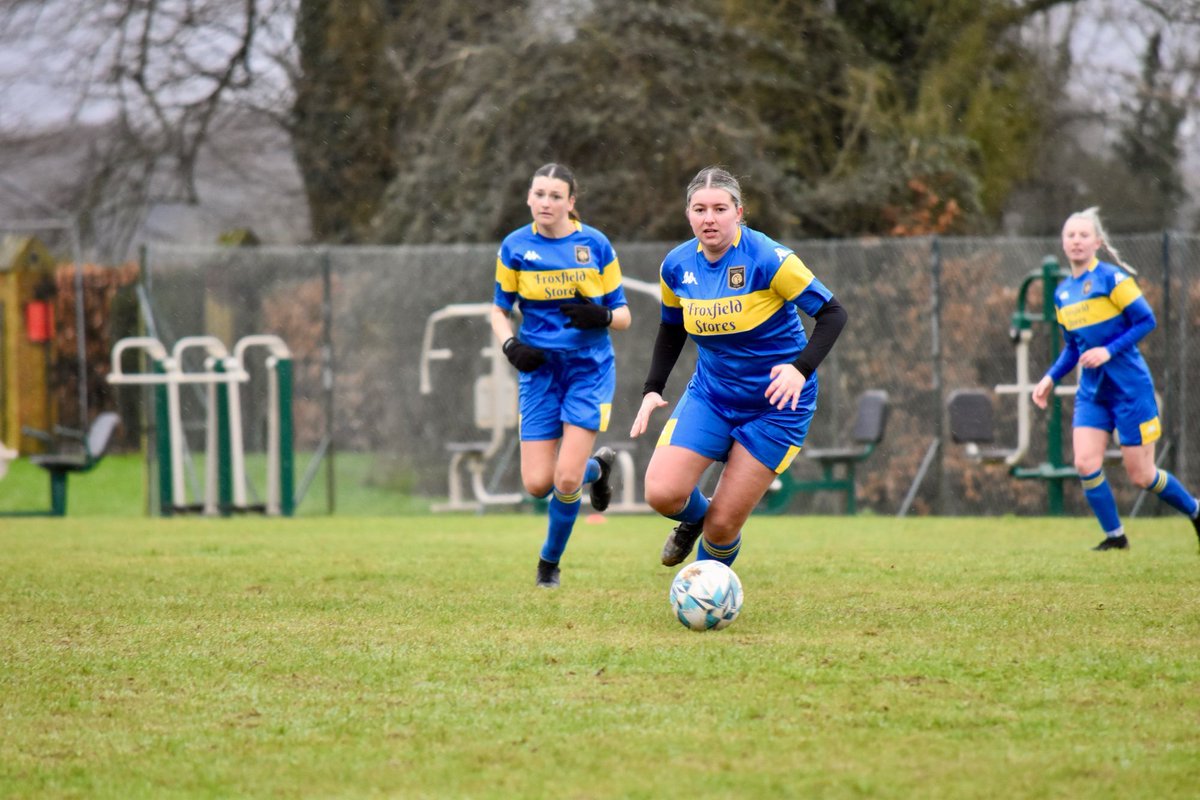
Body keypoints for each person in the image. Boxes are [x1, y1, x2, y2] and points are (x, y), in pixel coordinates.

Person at [629, 166, 847, 568]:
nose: (709, 218)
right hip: (712, 395)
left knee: (723, 526)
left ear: (739, 213)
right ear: (688, 214)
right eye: (699, 209)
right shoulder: (676, 266)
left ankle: (710, 592)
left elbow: (833, 313)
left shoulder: (768, 258)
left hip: (777, 406)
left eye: (719, 208)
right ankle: (692, 520)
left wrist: (799, 369)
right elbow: (671, 328)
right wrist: (652, 389)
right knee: (661, 493)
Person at [492, 163, 632, 588]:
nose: (545, 203)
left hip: (588, 368)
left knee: (565, 480)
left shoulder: (595, 245)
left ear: (572, 203)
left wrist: (602, 314)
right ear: (529, 198)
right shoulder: (515, 247)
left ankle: (548, 565)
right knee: (537, 484)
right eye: (539, 194)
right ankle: (598, 470)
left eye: (556, 195)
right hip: (539, 372)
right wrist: (511, 346)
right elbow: (499, 310)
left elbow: (624, 316)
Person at [1032, 206, 1200, 551]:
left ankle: (1197, 511)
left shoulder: (1112, 279)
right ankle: (1115, 537)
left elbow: (1146, 320)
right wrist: (1049, 377)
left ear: (1097, 242)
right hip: (1093, 393)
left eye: (1083, 235)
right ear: (1063, 243)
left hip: (1130, 391)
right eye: (1070, 235)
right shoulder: (1062, 292)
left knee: (1142, 476)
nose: (1076, 241)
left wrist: (1108, 351)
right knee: (1084, 462)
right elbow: (1072, 348)